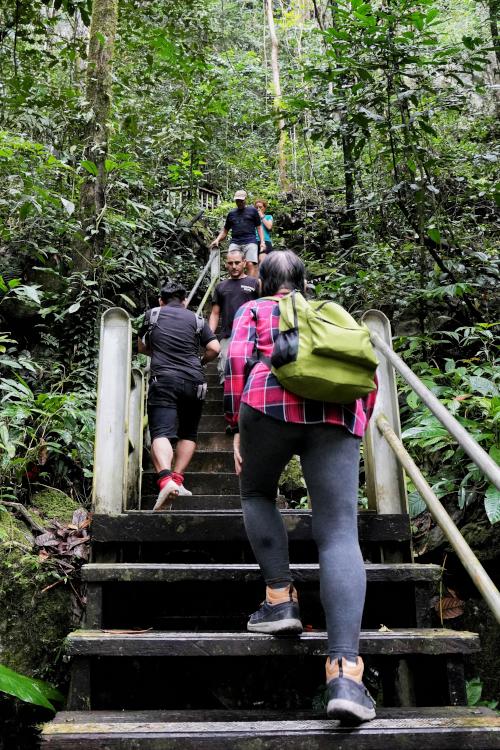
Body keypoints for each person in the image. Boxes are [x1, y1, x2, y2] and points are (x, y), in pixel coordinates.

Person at [224, 251, 377, 724]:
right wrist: (358, 425)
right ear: (305, 283)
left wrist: (235, 422)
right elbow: (367, 371)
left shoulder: (253, 309)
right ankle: (345, 672)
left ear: (263, 282)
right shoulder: (327, 312)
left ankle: (279, 600)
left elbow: (234, 359)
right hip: (337, 414)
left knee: (255, 493)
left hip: (267, 404)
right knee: (338, 534)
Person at [138, 281, 220, 511]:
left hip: (164, 380)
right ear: (185, 301)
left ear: (160, 301)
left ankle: (166, 480)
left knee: (161, 432)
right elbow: (215, 348)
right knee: (188, 432)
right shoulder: (196, 319)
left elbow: (142, 347)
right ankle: (177, 479)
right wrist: (201, 361)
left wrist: (161, 350)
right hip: (195, 382)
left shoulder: (152, 315)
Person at [209, 249, 258, 385]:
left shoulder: (254, 284)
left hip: (252, 335)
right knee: (226, 373)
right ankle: (230, 405)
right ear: (226, 264)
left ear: (244, 263)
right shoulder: (220, 287)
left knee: (251, 374)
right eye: (230, 263)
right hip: (228, 336)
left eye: (237, 262)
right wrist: (209, 334)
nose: (234, 266)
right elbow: (215, 313)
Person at [210, 190, 265, 278]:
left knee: (250, 264)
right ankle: (235, 286)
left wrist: (262, 242)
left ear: (245, 199)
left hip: (250, 241)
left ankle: (250, 287)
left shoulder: (252, 210)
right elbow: (225, 230)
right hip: (235, 242)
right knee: (232, 264)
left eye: (241, 200)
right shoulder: (231, 213)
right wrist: (217, 240)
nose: (239, 203)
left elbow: (259, 227)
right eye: (237, 201)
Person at [254, 199, 273, 264]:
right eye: (256, 207)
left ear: (264, 208)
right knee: (255, 264)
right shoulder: (252, 218)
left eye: (260, 207)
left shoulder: (268, 217)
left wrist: (262, 216)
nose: (258, 209)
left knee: (265, 264)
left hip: (266, 241)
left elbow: (269, 227)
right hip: (254, 242)